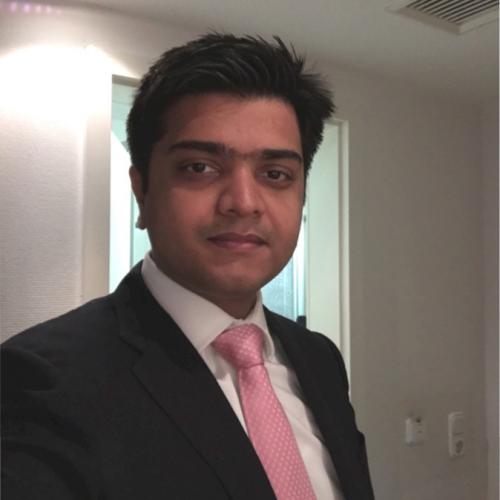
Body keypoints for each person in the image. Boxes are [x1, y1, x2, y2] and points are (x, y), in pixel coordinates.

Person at [1, 33, 374, 500]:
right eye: (200, 167)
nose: (243, 202)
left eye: (276, 174)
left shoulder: (319, 359)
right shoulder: (43, 381)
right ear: (142, 190)